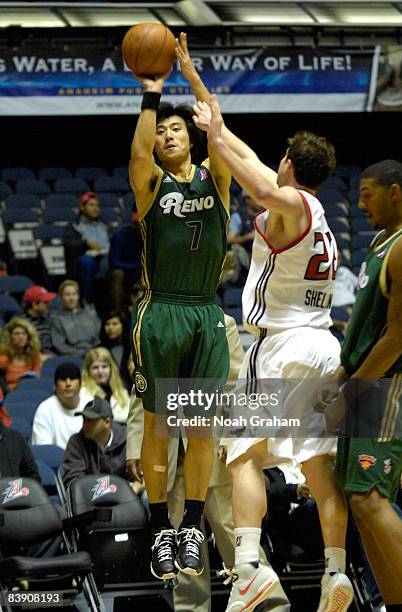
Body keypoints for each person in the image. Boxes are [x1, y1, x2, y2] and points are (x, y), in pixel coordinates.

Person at [178, 32, 351, 611]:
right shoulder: (317, 208)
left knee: (243, 454)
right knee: (318, 469)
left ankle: (250, 568)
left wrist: (217, 135)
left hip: (281, 347)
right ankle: (335, 575)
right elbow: (240, 152)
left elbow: (251, 178)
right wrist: (206, 105)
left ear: (290, 165)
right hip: (322, 347)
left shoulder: (293, 205)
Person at [128, 50, 231, 581]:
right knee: (158, 422)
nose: (167, 135)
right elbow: (139, 149)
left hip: (205, 312)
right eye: (162, 130)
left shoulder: (216, 178)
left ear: (190, 137)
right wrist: (153, 90)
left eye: (176, 128)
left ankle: (191, 525)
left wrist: (191, 79)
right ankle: (157, 529)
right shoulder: (151, 185)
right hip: (161, 309)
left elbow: (218, 125)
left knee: (201, 426)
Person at [126, 313, 290, 612]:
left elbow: (234, 384)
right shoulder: (154, 318)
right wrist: (137, 446)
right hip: (168, 458)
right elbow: (143, 390)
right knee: (182, 550)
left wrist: (233, 438)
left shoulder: (221, 323)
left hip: (211, 449)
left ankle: (271, 604)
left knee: (234, 537)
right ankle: (191, 609)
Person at [329, 160, 402, 611]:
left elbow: (398, 335)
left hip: (387, 384)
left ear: (395, 193)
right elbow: (366, 326)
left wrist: (353, 387)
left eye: (368, 194)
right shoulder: (381, 243)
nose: (359, 205)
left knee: (372, 497)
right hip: (364, 381)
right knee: (360, 502)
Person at [63, 397, 127, 488]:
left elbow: (142, 476)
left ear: (107, 422)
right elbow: (74, 483)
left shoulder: (128, 439)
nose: (84, 424)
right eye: (84, 419)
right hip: (89, 499)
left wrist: (135, 488)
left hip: (125, 497)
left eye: (90, 420)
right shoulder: (76, 442)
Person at [63, 191, 110, 305]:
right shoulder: (74, 226)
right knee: (87, 262)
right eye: (91, 205)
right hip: (85, 258)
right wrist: (86, 243)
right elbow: (69, 245)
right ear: (82, 207)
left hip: (105, 256)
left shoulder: (104, 225)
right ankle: (87, 300)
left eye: (97, 205)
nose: (95, 208)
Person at [32, 362, 92, 448]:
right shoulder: (45, 409)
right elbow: (44, 450)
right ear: (54, 386)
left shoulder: (91, 404)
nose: (68, 383)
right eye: (63, 379)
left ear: (80, 385)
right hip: (56, 460)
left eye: (72, 378)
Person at [50, 279, 100, 358]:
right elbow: (59, 345)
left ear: (78, 296)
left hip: (95, 354)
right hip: (72, 356)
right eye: (67, 294)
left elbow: (99, 338)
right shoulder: (57, 318)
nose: (71, 298)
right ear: (61, 297)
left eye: (74, 294)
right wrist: (81, 354)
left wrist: (94, 352)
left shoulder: (90, 315)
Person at [81, 347, 130, 423]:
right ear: (88, 371)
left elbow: (129, 417)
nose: (100, 372)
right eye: (95, 367)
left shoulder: (122, 392)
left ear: (111, 368)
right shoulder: (83, 392)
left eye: (104, 366)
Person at [108, 208, 143, 311]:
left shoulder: (151, 236)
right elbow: (114, 262)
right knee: (117, 274)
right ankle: (117, 315)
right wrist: (138, 266)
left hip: (141, 272)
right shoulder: (121, 235)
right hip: (125, 271)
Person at [0, 317, 41, 392]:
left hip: (30, 391)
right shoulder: (3, 358)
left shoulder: (34, 355)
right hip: (9, 395)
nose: (21, 337)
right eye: (16, 334)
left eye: (24, 333)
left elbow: (37, 378)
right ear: (10, 337)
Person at [99, 311, 133, 392]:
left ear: (123, 326)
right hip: (107, 391)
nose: (110, 327)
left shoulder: (132, 346)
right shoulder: (99, 349)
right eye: (107, 324)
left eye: (115, 324)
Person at [22, 284, 56, 357]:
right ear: (35, 305)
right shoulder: (21, 324)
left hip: (52, 356)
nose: (49, 304)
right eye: (45, 302)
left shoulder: (48, 319)